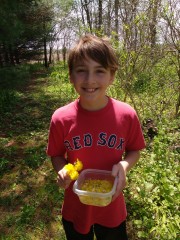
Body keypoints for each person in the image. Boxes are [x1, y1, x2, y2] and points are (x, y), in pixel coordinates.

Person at [47, 34, 146, 240]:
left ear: (112, 76)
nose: (90, 79)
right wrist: (63, 169)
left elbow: (135, 149)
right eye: (81, 71)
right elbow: (56, 154)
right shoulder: (61, 118)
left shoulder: (126, 115)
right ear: (71, 76)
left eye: (99, 71)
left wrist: (124, 166)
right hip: (76, 206)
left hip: (112, 206)